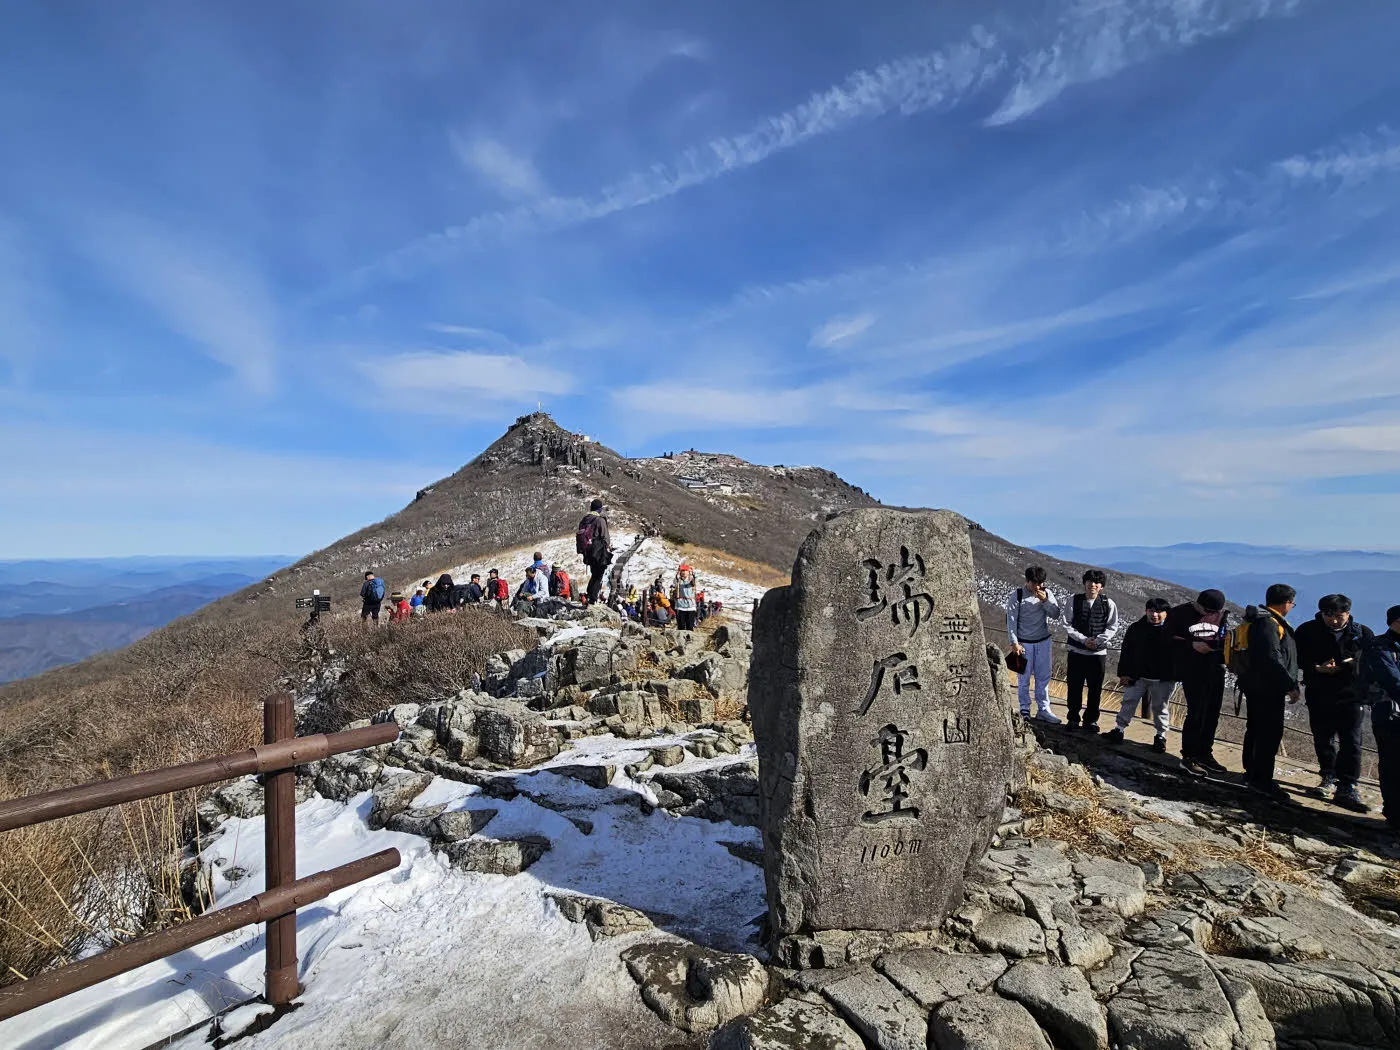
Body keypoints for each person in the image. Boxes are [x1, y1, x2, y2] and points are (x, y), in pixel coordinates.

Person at [1295, 594, 1373, 811]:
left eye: (1339, 616)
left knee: (1352, 741)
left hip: (1350, 695)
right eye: (1328, 615)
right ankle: (1328, 776)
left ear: (1348, 613)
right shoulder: (1307, 631)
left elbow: (1369, 663)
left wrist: (1347, 665)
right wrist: (1316, 668)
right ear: (1321, 613)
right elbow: (1296, 658)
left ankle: (1348, 784)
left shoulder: (1362, 633)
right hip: (1319, 692)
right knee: (1323, 738)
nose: (1334, 620)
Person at [1239, 584, 1300, 799]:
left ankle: (1252, 773)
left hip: (1257, 685)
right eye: (1292, 604)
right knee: (1268, 733)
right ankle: (1260, 779)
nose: (1291, 607)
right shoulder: (1269, 623)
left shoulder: (1262, 619)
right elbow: (1272, 658)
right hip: (1267, 688)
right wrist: (1289, 685)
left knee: (1256, 729)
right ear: (1286, 603)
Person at [1166, 589, 1230, 776]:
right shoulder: (1179, 613)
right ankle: (1189, 756)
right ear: (1198, 604)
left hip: (1215, 667)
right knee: (1196, 712)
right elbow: (1166, 639)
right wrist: (1191, 645)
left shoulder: (1221, 615)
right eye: (1207, 611)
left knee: (1212, 713)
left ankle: (1205, 753)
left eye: (1213, 612)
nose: (1210, 615)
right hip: (1191, 669)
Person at [1106, 598, 1176, 752]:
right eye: (1151, 611)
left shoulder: (1173, 631)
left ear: (1166, 613)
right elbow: (1126, 651)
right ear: (1146, 611)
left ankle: (1161, 735)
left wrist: (1175, 675)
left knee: (1160, 707)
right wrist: (1123, 673)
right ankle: (1119, 729)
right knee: (1128, 702)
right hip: (1137, 675)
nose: (1154, 615)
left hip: (1163, 677)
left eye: (1159, 611)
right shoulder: (1136, 628)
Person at [1064, 569, 1120, 732]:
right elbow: (1067, 623)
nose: (1092, 585)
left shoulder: (1108, 604)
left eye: (1096, 583)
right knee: (1074, 686)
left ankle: (1091, 721)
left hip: (1098, 654)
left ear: (1101, 586)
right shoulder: (1073, 601)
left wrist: (1098, 640)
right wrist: (1083, 639)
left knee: (1095, 689)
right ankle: (1073, 717)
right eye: (1089, 582)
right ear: (1084, 583)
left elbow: (1113, 626)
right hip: (1076, 651)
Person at [1006, 567, 1062, 723]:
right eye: (1034, 583)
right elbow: (1011, 621)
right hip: (1024, 643)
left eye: (1040, 583)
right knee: (1023, 678)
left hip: (1043, 641)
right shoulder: (1017, 595)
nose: (1037, 586)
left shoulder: (1047, 594)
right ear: (1027, 581)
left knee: (1043, 677)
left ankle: (1043, 709)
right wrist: (1014, 643)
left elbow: (1055, 614)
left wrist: (1045, 601)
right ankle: (1025, 708)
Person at [1363, 606, 1400, 831]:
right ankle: (1395, 816)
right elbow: (1393, 682)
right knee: (1393, 765)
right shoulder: (1380, 647)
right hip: (1388, 715)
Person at [577, 499, 613, 604]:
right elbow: (605, 537)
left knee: (594, 573)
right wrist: (607, 548)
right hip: (598, 551)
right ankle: (592, 598)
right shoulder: (600, 520)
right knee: (599, 574)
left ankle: (589, 595)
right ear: (599, 509)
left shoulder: (584, 520)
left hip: (587, 552)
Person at [673, 564, 700, 631]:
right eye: (682, 571)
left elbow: (693, 581)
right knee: (681, 625)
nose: (684, 572)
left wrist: (693, 573)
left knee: (690, 625)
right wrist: (677, 572)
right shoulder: (678, 581)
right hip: (680, 604)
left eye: (686, 571)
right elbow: (676, 579)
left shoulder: (691, 580)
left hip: (690, 605)